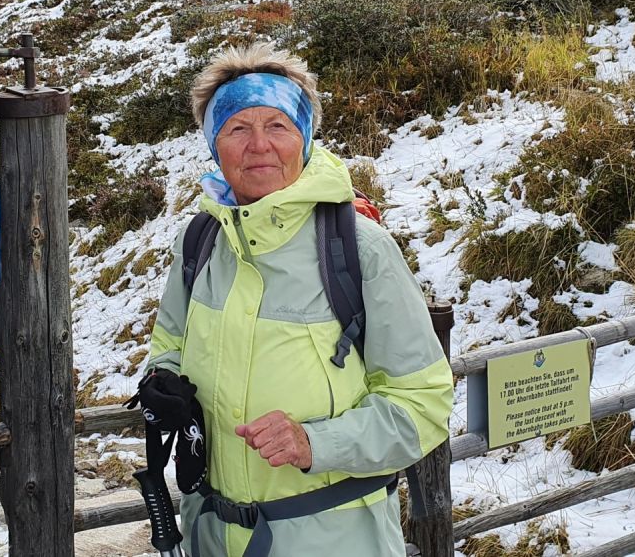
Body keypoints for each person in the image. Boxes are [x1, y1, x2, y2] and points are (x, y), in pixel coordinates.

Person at [137, 42, 454, 557]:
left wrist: (316, 443)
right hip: (212, 537)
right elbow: (169, 343)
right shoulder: (200, 242)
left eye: (278, 126)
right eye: (238, 128)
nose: (259, 145)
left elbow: (425, 403)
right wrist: (162, 381)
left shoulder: (360, 249)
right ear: (214, 145)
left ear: (304, 139)